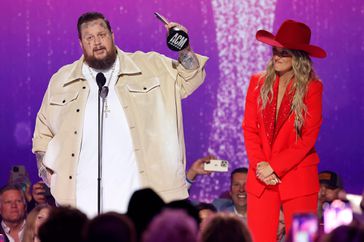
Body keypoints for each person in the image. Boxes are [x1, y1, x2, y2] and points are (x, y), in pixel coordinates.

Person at [32, 12, 208, 217]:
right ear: (80, 43)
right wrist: (48, 174)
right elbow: (42, 133)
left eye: (102, 34)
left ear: (112, 35)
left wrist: (184, 48)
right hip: (83, 206)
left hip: (145, 203)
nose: (97, 42)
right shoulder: (62, 80)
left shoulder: (150, 66)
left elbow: (191, 78)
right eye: (89, 37)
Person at [242, 19, 326, 242]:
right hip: (261, 178)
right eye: (275, 51)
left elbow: (308, 138)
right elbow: (249, 129)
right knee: (259, 238)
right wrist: (261, 165)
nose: (276, 57)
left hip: (299, 177)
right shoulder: (257, 82)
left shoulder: (313, 88)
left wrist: (274, 167)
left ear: (298, 57)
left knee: (303, 239)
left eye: (284, 53)